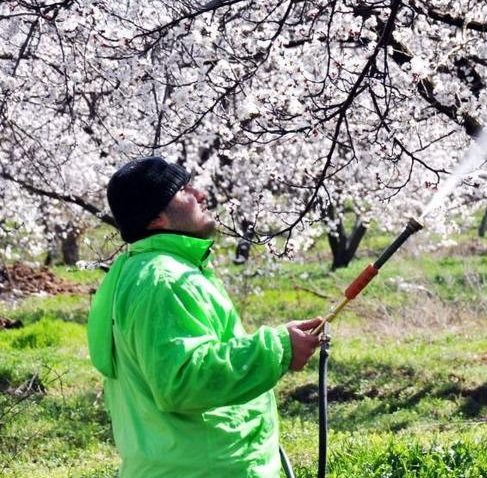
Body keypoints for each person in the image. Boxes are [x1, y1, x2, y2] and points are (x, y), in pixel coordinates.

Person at [87, 156, 321, 477]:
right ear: (156, 219)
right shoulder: (164, 281)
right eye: (182, 190)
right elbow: (182, 380)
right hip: (203, 468)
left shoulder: (141, 271)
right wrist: (279, 348)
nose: (200, 194)